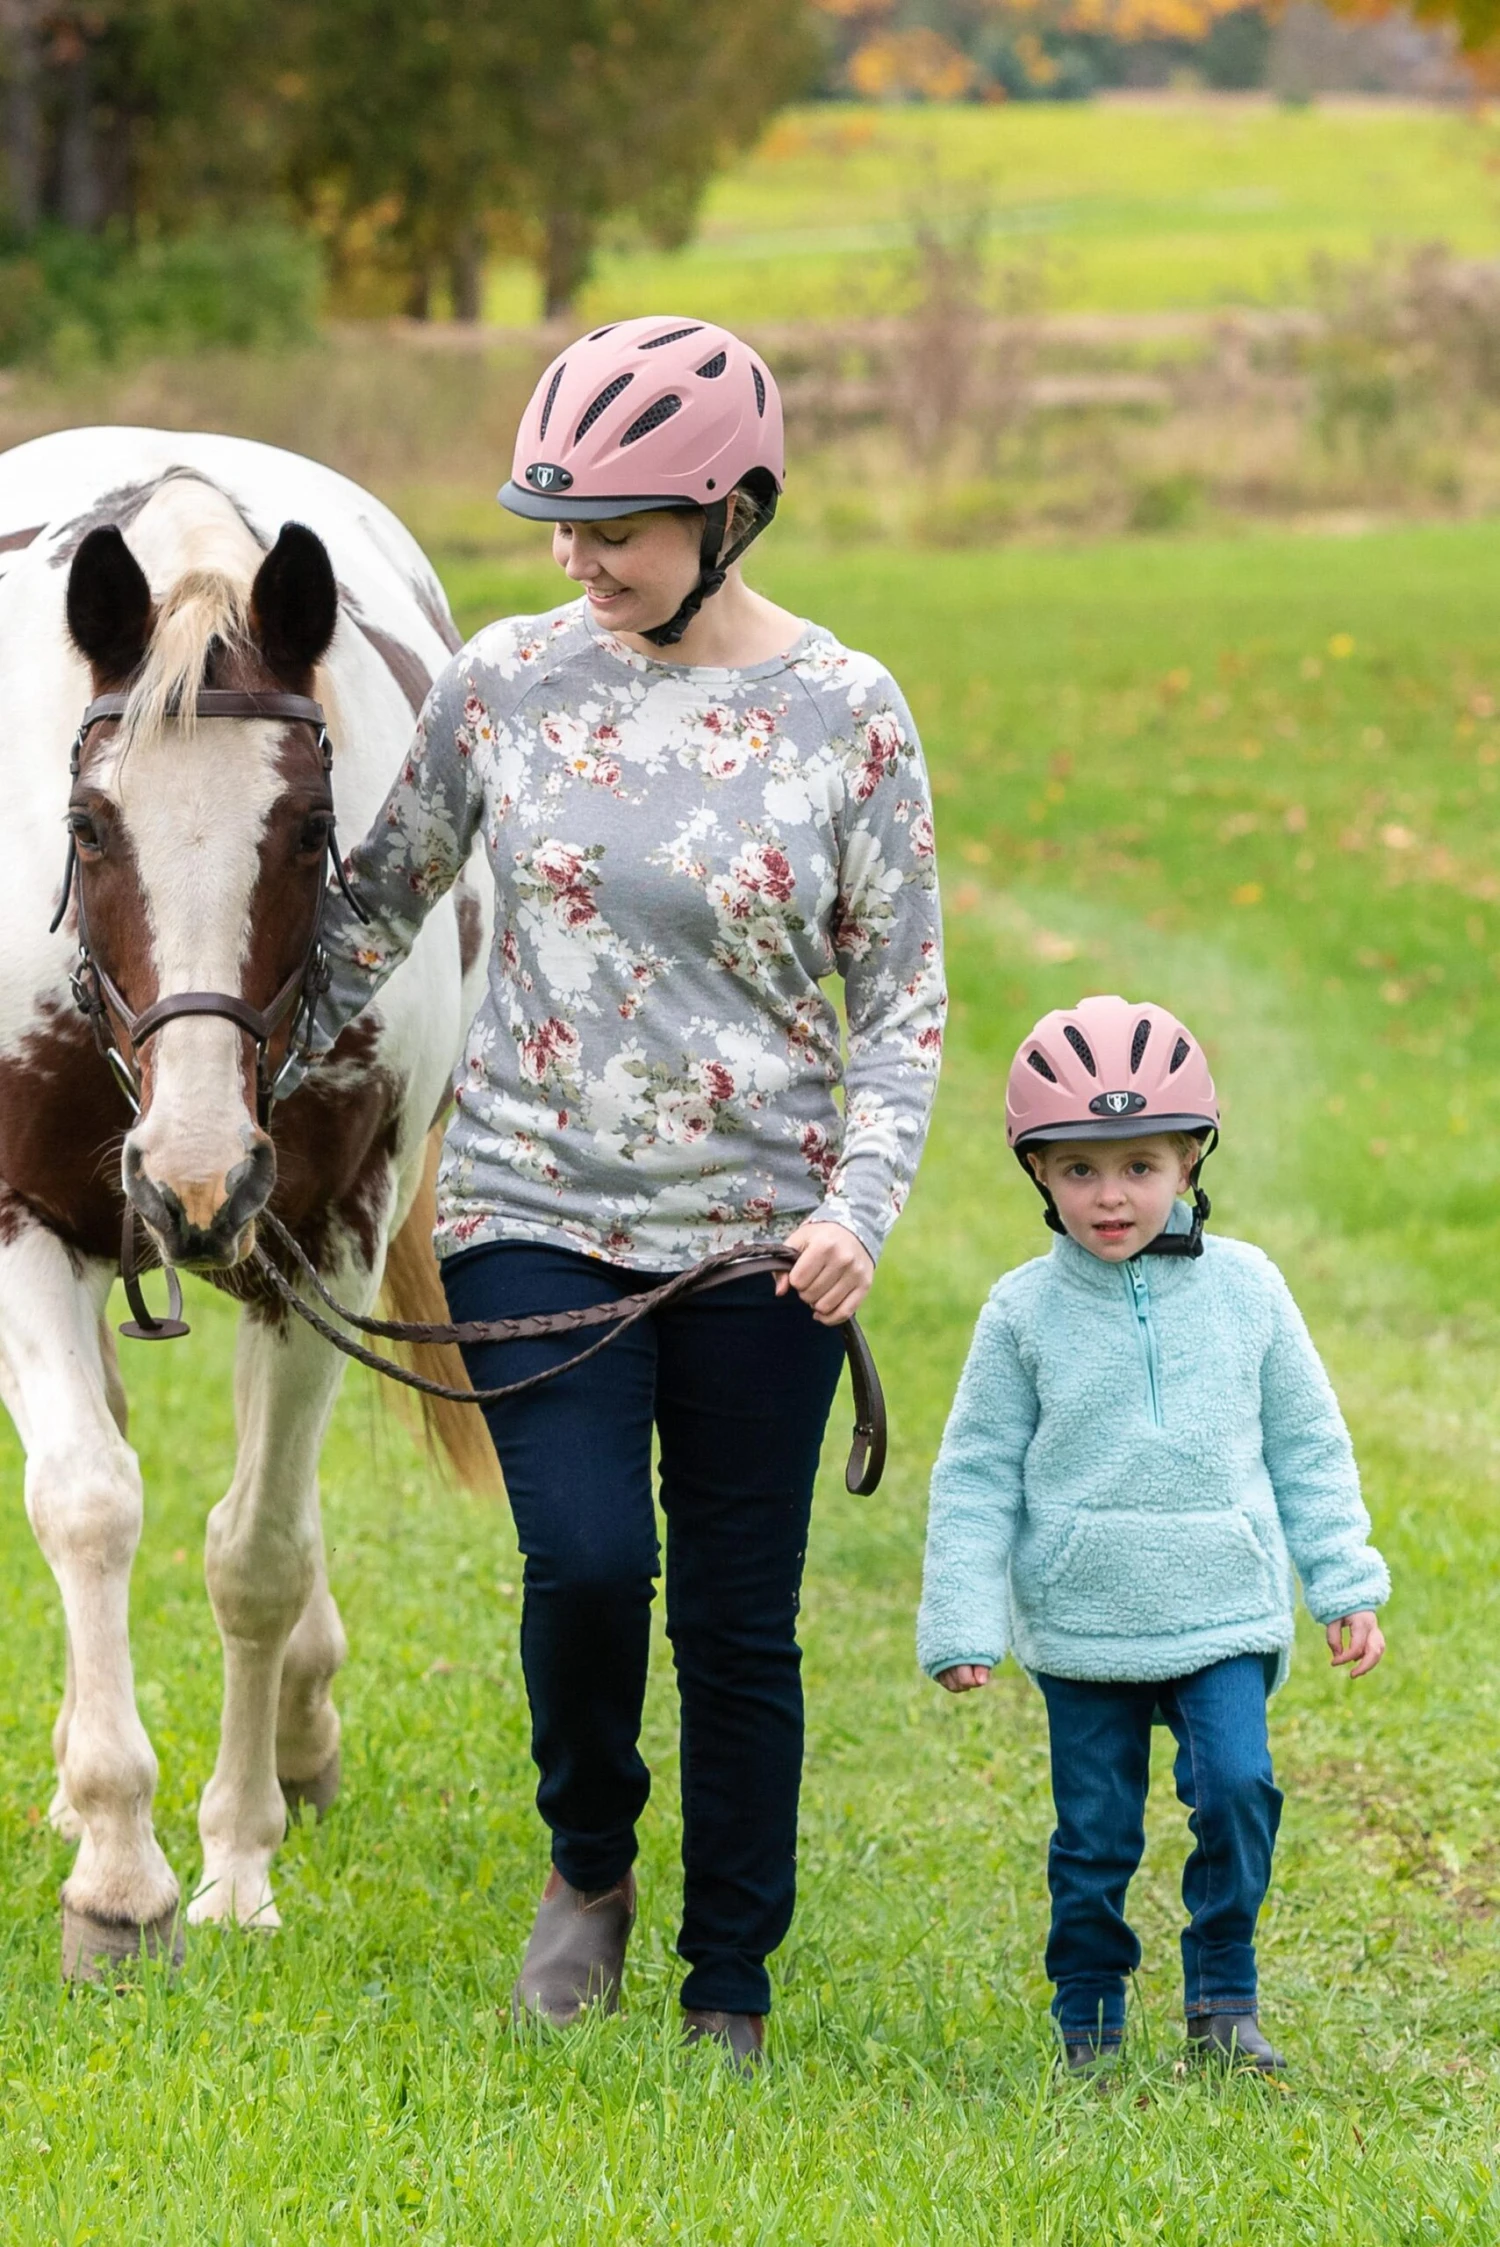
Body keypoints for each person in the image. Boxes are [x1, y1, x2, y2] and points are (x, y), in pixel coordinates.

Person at [307, 316, 946, 2069]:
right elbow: (371, 913)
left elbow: (901, 1000)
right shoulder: (506, 679)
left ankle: (729, 1977)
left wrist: (859, 1210)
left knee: (741, 1622)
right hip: (528, 1205)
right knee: (586, 1563)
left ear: (734, 511)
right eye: (558, 523)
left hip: (764, 1242)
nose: (578, 560)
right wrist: (213, 1099)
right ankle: (589, 1863)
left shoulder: (846, 712)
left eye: (618, 527)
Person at [917, 995, 1388, 2075]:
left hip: (1223, 1605)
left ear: (1188, 1158)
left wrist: (1344, 1582)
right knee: (1094, 1840)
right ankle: (1088, 2015)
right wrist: (961, 1616)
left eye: (1138, 1164)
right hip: (1086, 1623)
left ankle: (1224, 1996)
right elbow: (978, 1472)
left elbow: (1307, 1445)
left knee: (1237, 1791)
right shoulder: (1020, 1313)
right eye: (1079, 1169)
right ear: (1038, 1173)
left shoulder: (1251, 1291)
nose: (1111, 1194)